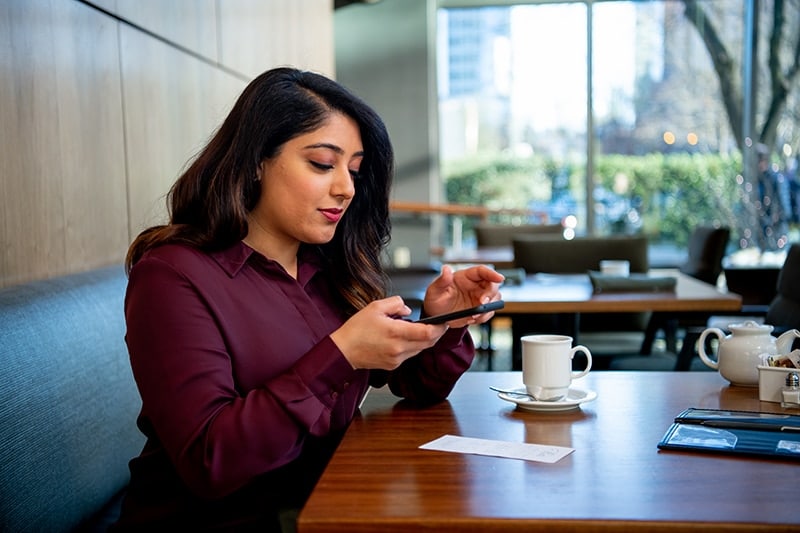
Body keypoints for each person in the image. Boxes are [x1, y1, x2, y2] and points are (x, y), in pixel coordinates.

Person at [111, 67, 504, 532]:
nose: (347, 188)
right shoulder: (172, 276)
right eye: (322, 164)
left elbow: (416, 389)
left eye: (354, 170)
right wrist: (341, 355)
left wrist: (444, 322)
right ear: (256, 160)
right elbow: (210, 461)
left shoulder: (330, 271)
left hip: (324, 506)